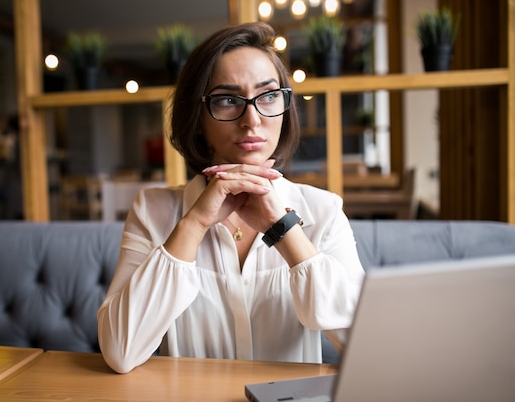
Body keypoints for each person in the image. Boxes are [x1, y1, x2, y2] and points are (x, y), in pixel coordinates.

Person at [97, 22, 365, 374]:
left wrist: (284, 228)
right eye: (227, 100)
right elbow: (120, 351)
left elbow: (364, 346)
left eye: (268, 96)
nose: (251, 119)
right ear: (197, 120)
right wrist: (194, 224)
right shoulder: (153, 210)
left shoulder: (323, 211)